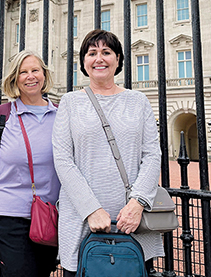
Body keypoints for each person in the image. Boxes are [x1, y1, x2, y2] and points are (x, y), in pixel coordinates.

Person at [52, 29, 164, 276]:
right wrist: (91, 209)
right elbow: (62, 159)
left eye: (106, 52)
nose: (99, 58)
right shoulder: (70, 102)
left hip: (133, 221)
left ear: (118, 59)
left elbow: (152, 155)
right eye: (92, 53)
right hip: (82, 218)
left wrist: (138, 204)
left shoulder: (138, 101)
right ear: (83, 62)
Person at [0, 50, 60, 277]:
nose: (30, 76)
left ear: (44, 76)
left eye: (35, 70)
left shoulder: (61, 114)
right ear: (14, 79)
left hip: (50, 216)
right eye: (23, 72)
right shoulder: (1, 116)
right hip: (8, 217)